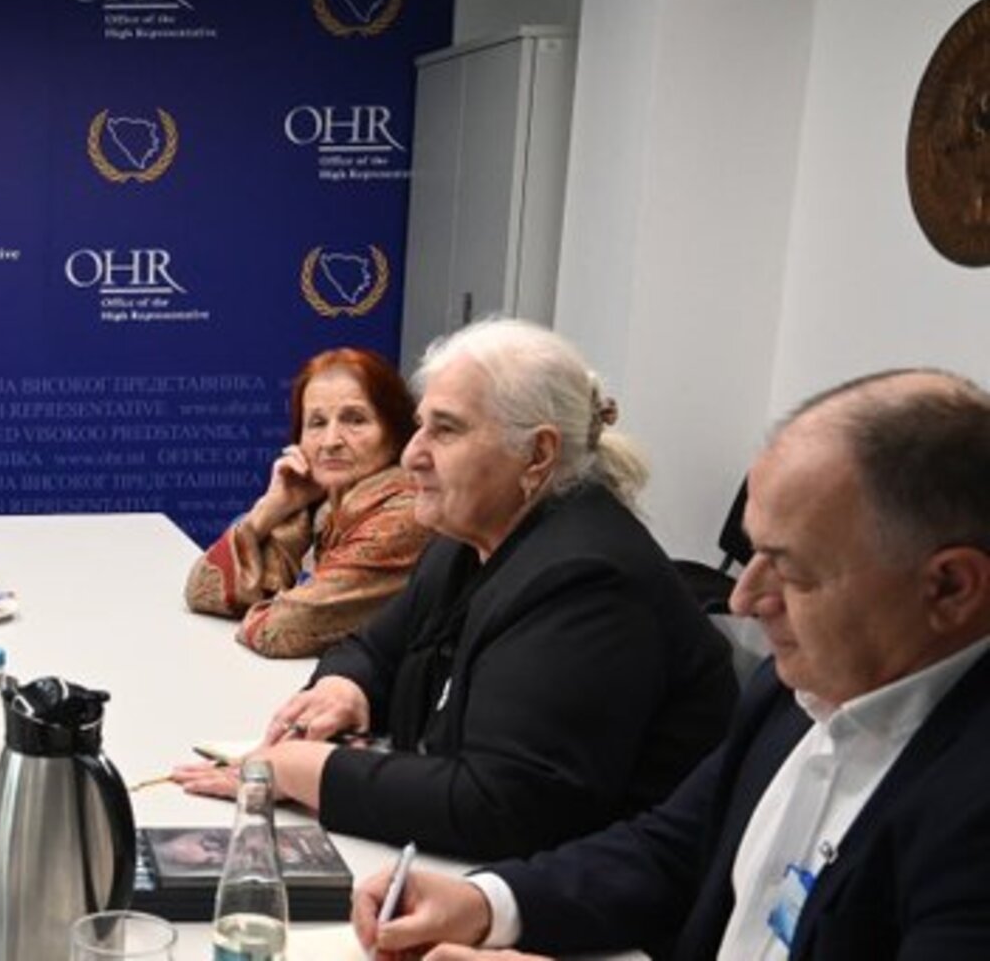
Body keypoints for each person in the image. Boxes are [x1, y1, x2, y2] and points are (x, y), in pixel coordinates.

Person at [353, 369, 990, 961]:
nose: (743, 599)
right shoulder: (803, 689)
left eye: (791, 568)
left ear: (951, 588)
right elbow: (672, 851)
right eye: (754, 552)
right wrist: (486, 902)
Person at [172, 318, 737, 860]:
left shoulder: (586, 580)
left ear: (537, 455)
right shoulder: (467, 538)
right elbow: (373, 649)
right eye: (420, 425)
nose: (412, 454)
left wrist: (301, 770)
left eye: (445, 430)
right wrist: (347, 688)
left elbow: (501, 804)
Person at [184, 348, 433, 657]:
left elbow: (282, 630)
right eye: (316, 423)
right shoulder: (324, 503)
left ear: (395, 433)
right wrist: (273, 508)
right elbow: (205, 591)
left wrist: (268, 604)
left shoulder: (405, 513)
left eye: (355, 420)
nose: (331, 441)